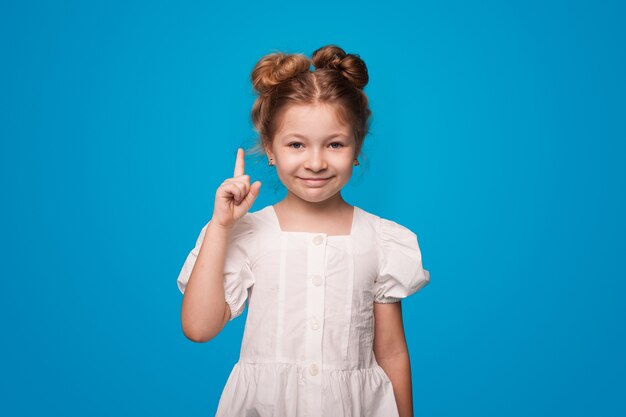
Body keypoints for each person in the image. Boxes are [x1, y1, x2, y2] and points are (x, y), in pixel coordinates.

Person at [176, 44, 430, 417]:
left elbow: (391, 351)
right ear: (270, 148)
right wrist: (221, 227)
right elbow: (198, 328)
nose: (315, 162)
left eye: (335, 144)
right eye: (296, 144)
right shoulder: (245, 233)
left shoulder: (381, 241)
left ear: (356, 147)